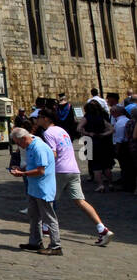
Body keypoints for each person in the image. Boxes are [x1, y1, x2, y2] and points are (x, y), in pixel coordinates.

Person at [33, 108, 114, 246]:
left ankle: (46, 229)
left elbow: (53, 154)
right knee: (80, 201)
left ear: (46, 119)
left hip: (60, 170)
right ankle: (102, 229)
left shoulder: (48, 133)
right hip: (73, 169)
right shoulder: (62, 130)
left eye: (39, 117)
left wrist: (40, 164)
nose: (37, 119)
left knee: (47, 199)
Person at [10, 127, 61, 255]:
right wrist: (20, 168)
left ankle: (56, 246)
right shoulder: (29, 146)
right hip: (34, 188)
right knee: (34, 216)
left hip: (43, 188)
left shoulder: (39, 148)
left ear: (23, 138)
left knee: (48, 217)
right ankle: (35, 242)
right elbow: (32, 165)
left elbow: (40, 170)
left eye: (18, 142)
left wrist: (23, 173)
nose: (18, 145)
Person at [81, 99, 114, 192]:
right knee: (106, 165)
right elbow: (111, 129)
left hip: (92, 142)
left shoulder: (86, 117)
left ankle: (100, 185)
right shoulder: (101, 117)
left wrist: (87, 133)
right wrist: (104, 134)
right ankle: (110, 183)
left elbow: (79, 128)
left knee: (96, 166)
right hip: (103, 142)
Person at [113, 104, 135, 194]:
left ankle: (127, 185)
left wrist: (116, 150)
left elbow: (119, 139)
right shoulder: (126, 120)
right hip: (128, 146)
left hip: (123, 147)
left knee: (125, 167)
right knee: (129, 167)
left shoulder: (119, 123)